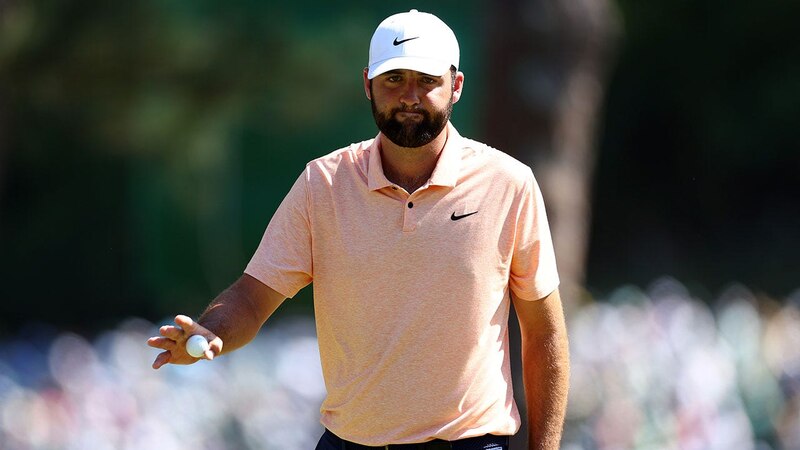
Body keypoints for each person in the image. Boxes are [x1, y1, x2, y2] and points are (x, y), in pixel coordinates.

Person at [148, 9, 569, 450]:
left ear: (456, 86)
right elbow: (253, 297)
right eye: (393, 80)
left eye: (426, 80)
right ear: (367, 83)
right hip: (349, 442)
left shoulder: (509, 184)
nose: (409, 96)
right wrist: (212, 330)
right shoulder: (322, 185)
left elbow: (544, 333)